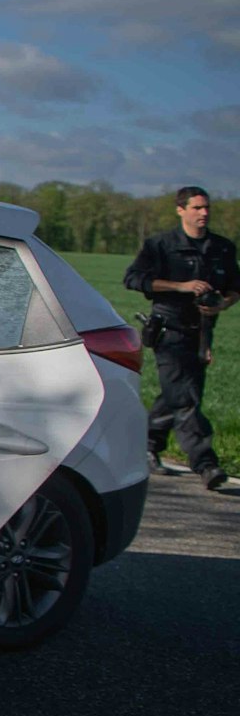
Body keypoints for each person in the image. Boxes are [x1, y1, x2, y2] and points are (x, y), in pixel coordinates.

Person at [125, 186, 240, 489]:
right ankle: (206, 463)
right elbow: (134, 278)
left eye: (207, 208)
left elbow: (235, 288)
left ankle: (147, 445)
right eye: (196, 208)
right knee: (186, 400)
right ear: (181, 210)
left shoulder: (223, 248)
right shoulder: (161, 245)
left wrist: (222, 304)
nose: (203, 213)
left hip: (202, 333)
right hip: (169, 332)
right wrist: (181, 286)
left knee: (177, 396)